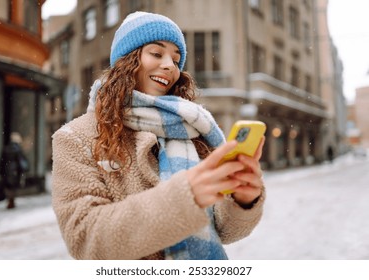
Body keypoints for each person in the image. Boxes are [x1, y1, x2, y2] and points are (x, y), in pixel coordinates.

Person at [52, 11, 266, 260]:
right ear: (127, 60)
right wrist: (183, 198)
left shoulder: (189, 128)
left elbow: (222, 232)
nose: (169, 66)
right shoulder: (75, 137)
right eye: (156, 53)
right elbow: (85, 238)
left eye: (176, 61)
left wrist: (242, 200)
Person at [0, 132, 29, 209]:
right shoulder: (18, 150)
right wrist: (23, 169)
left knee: (8, 186)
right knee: (13, 186)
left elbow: (2, 161)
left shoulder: (6, 148)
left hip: (7, 170)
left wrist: (1, 170)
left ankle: (10, 200)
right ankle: (11, 201)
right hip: (15, 170)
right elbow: (21, 161)